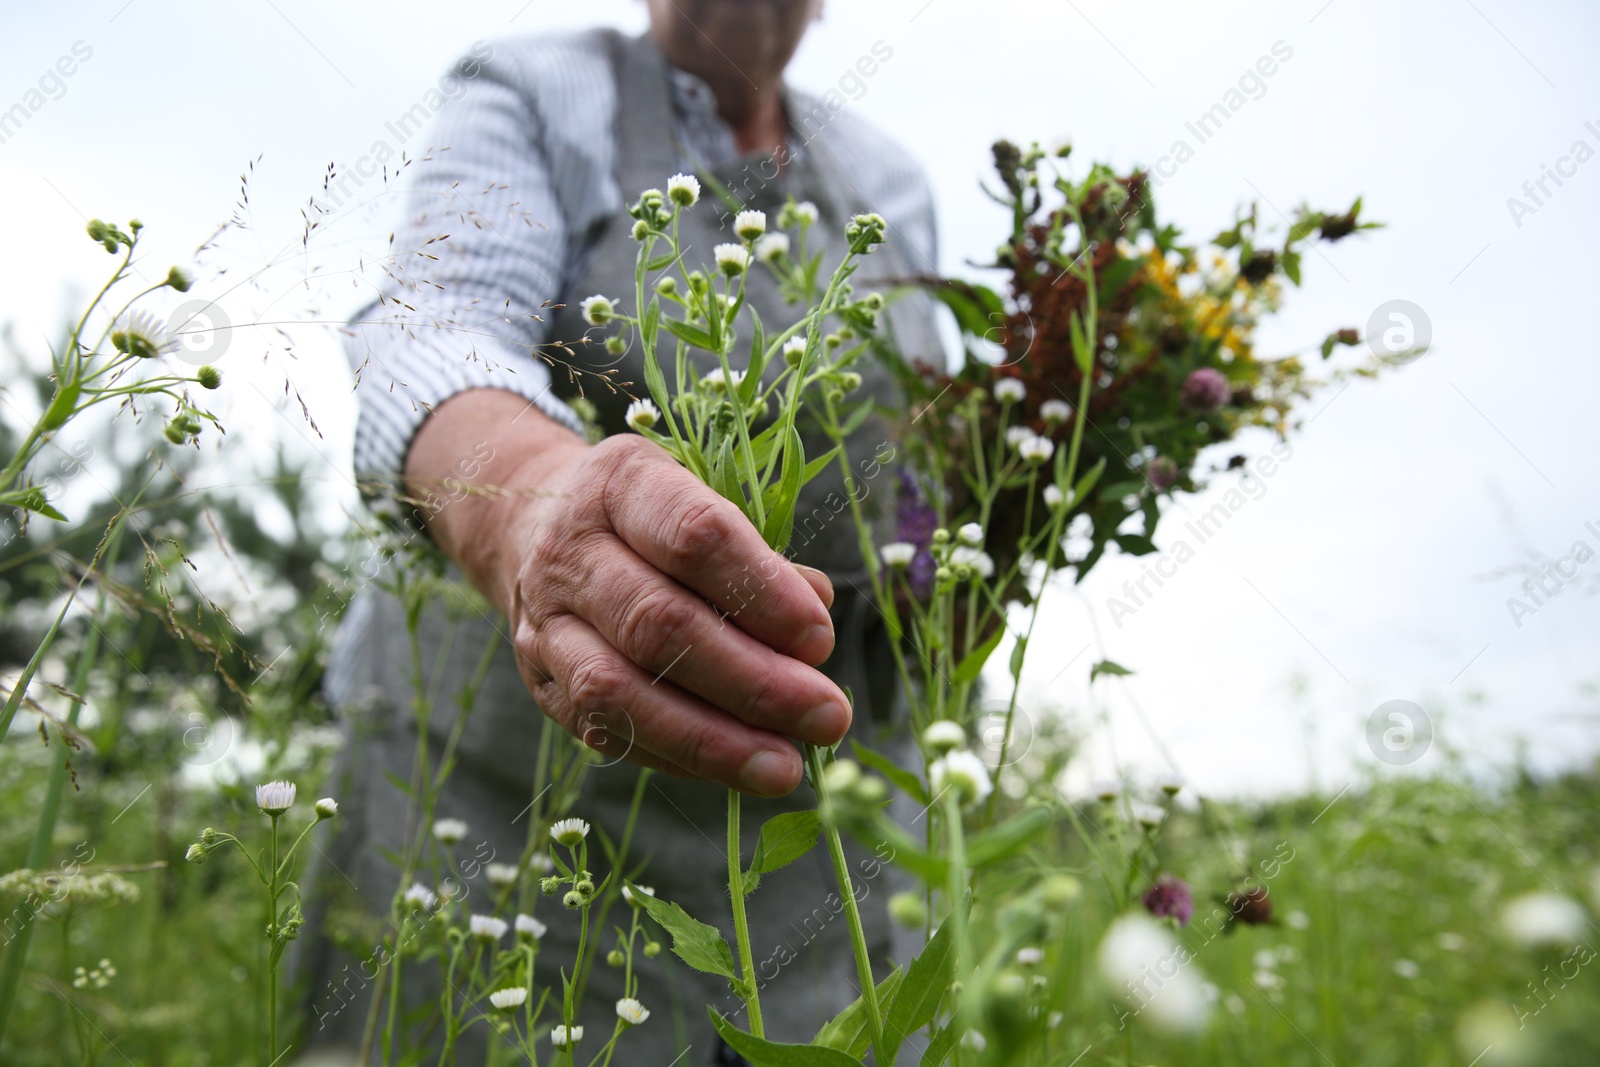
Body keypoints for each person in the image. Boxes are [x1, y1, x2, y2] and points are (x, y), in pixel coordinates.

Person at [299, 2, 942, 1062]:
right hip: (518, 812)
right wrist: (532, 501)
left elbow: (923, 438)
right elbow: (432, 324)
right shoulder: (537, 87)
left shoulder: (890, 179)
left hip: (829, 823)